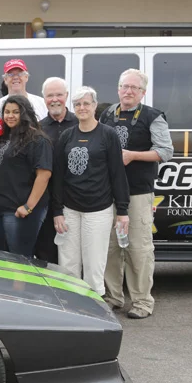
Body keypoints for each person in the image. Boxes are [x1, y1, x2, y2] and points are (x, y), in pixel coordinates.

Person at [100, 69, 174, 319]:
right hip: (108, 193)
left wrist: (133, 156)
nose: (128, 91)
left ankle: (142, 302)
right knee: (110, 248)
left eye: (134, 87)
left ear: (143, 92)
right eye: (125, 86)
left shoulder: (153, 116)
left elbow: (165, 151)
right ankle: (113, 297)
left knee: (138, 249)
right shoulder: (107, 114)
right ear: (118, 89)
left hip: (138, 193)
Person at [52, 86, 130, 298]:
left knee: (94, 264)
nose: (82, 108)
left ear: (95, 106)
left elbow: (117, 173)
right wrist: (57, 211)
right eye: (77, 104)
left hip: (98, 209)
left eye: (86, 103)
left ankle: (95, 306)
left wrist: (122, 210)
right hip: (69, 209)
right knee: (68, 263)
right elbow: (58, 176)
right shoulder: (67, 136)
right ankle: (69, 303)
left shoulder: (108, 135)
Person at [0, 95, 52, 257]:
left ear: (25, 113)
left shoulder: (37, 139)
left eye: (16, 112)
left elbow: (44, 175)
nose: (10, 116)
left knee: (19, 260)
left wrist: (28, 207)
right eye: (7, 112)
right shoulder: (2, 137)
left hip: (19, 211)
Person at [36, 77, 78, 264]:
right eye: (50, 95)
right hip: (47, 199)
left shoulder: (80, 123)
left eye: (59, 95)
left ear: (66, 96)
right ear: (44, 98)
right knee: (47, 251)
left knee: (74, 252)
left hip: (76, 198)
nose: (54, 99)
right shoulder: (38, 128)